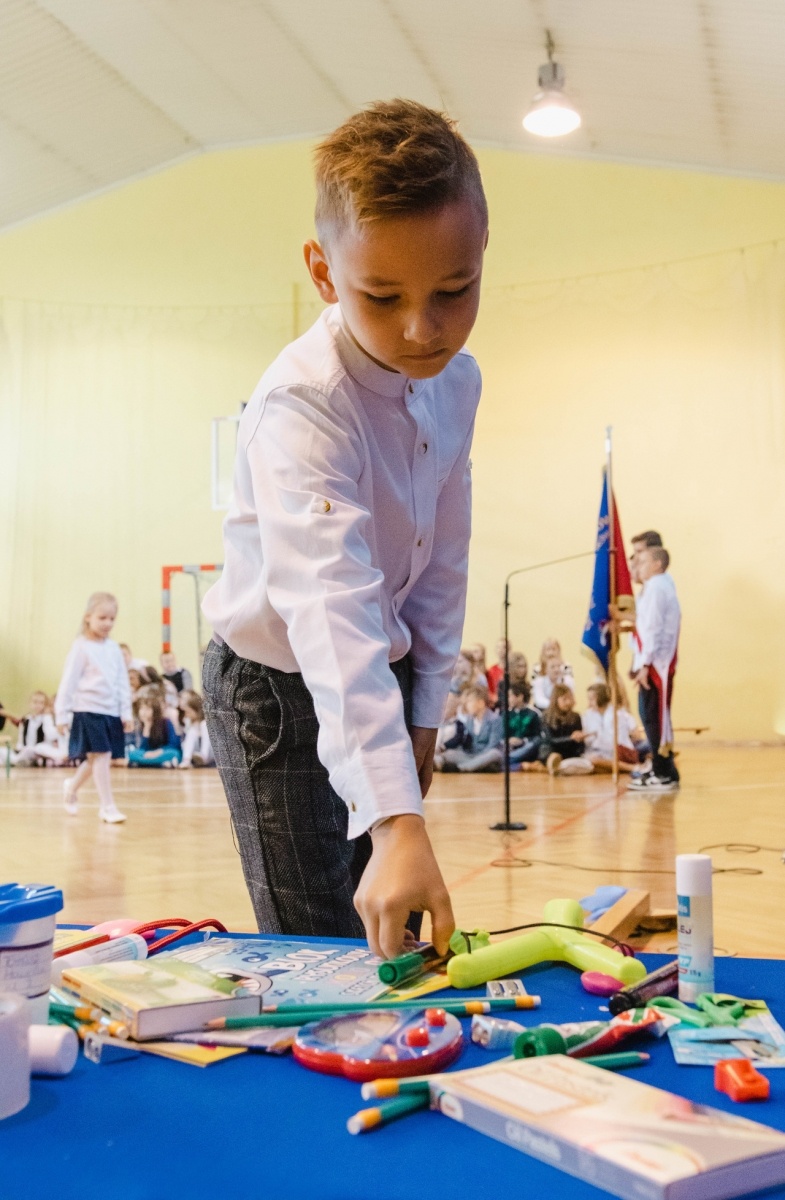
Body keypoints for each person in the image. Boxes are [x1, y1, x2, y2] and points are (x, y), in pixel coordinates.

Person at [201, 99, 488, 960]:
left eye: (453, 290)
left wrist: (428, 708)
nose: (420, 329)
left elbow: (442, 554)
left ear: (481, 255)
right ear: (323, 272)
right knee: (318, 952)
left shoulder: (457, 381)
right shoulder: (302, 405)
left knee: (391, 935)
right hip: (275, 685)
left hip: (380, 668)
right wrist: (396, 818)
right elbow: (330, 609)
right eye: (381, 295)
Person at [55, 592, 132, 822]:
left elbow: (122, 682)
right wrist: (61, 714)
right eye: (102, 618)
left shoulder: (114, 649)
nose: (108, 623)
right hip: (87, 709)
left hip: (110, 711)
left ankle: (71, 787)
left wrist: (126, 712)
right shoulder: (81, 647)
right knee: (102, 755)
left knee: (96, 759)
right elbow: (68, 682)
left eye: (112, 619)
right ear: (88, 617)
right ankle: (107, 807)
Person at [628, 546, 681, 793]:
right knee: (651, 717)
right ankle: (664, 769)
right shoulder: (656, 586)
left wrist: (645, 664)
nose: (639, 566)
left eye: (644, 561)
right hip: (653, 661)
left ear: (657, 564)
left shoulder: (658, 586)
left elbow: (653, 628)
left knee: (655, 718)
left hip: (657, 663)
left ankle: (663, 773)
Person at [433, 686, 502, 773]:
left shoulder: (495, 719)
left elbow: (492, 745)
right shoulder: (469, 719)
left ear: (481, 703)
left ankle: (461, 768)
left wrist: (479, 757)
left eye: (469, 702)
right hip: (470, 755)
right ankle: (478, 767)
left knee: (495, 753)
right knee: (449, 753)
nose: (467, 706)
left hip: (485, 754)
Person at [581, 683, 638, 774]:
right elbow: (589, 740)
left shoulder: (617, 713)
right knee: (590, 763)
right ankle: (617, 768)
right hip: (600, 752)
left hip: (618, 750)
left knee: (594, 761)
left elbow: (621, 738)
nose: (589, 703)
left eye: (592, 699)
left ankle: (632, 768)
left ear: (601, 698)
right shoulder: (588, 715)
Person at [539, 684, 592, 775]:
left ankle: (555, 767)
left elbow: (579, 743)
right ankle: (553, 764)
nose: (568, 702)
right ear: (556, 700)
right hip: (554, 749)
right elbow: (550, 740)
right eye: (564, 699)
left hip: (570, 751)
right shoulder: (546, 717)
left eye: (570, 698)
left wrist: (580, 737)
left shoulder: (575, 716)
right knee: (546, 749)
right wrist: (570, 738)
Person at [127, 691, 182, 768]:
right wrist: (147, 728)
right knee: (132, 754)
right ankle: (160, 763)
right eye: (141, 709)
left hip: (162, 752)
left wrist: (159, 751)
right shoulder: (139, 725)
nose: (143, 712)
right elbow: (141, 748)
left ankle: (145, 763)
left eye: (147, 709)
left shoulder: (166, 722)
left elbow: (173, 744)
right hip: (147, 754)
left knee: (174, 753)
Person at [13, 691, 66, 766]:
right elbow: (21, 738)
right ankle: (17, 760)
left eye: (41, 703)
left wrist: (47, 716)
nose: (37, 705)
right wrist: (19, 749)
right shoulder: (26, 720)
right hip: (25, 749)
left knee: (36, 748)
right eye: (35, 702)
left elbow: (50, 735)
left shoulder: (47, 718)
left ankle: (16, 761)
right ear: (30, 703)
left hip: (40, 749)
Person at [505, 681, 542, 770]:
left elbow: (538, 736)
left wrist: (523, 741)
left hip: (526, 747)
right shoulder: (506, 714)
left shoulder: (534, 714)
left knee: (535, 742)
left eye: (510, 696)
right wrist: (508, 740)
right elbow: (501, 734)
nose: (508, 699)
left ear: (520, 697)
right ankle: (518, 764)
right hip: (509, 747)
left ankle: (508, 760)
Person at [178, 693, 215, 768]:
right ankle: (186, 760)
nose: (186, 714)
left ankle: (204, 756)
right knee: (192, 731)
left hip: (211, 754)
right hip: (196, 752)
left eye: (189, 712)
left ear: (196, 710)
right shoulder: (189, 723)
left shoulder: (206, 722)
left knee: (204, 725)